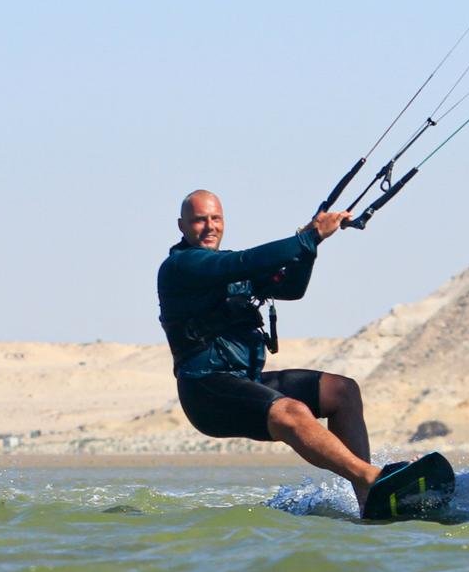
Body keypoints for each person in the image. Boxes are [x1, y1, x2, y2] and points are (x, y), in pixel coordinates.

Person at [158, 190, 383, 508]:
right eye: (199, 220)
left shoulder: (231, 271)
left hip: (243, 380)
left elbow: (291, 288)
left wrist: (309, 246)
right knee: (292, 411)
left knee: (342, 391)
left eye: (216, 218)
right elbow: (243, 262)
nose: (209, 226)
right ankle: (372, 478)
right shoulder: (182, 267)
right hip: (205, 391)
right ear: (182, 226)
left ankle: (369, 502)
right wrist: (310, 236)